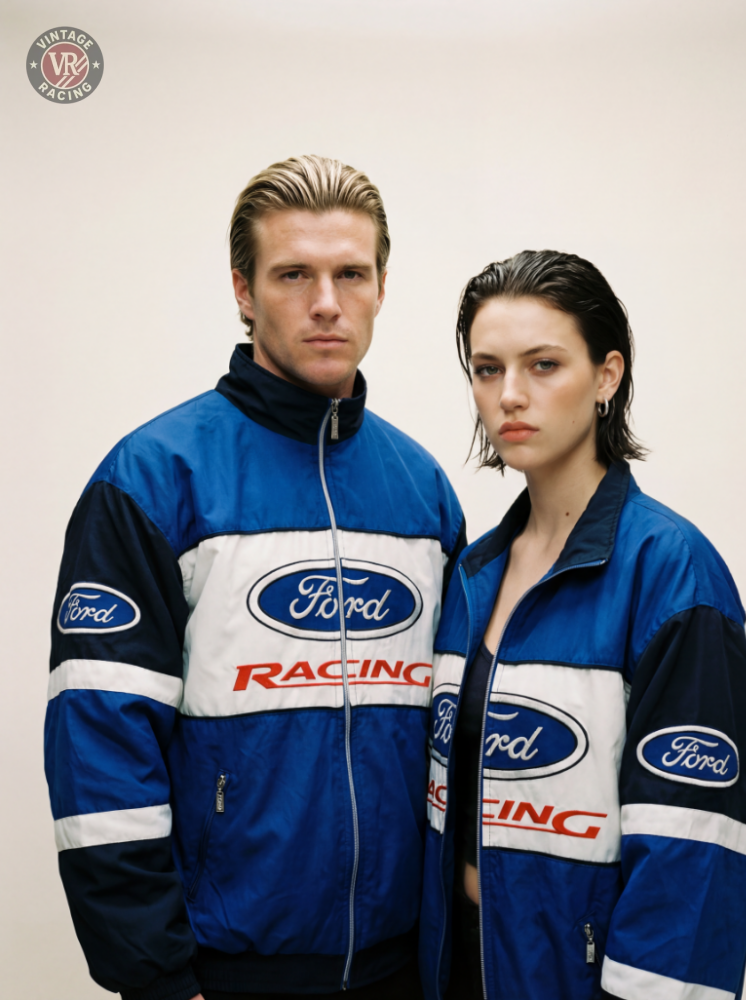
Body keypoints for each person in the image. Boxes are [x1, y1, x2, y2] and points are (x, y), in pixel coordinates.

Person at [45, 155, 466, 1000]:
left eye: (351, 274)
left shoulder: (421, 491)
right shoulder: (153, 480)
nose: (326, 302)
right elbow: (100, 749)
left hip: (400, 965)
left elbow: (452, 738)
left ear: (382, 288)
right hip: (224, 970)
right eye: (292, 274)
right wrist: (157, 977)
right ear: (243, 291)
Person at [418, 250, 746, 1000]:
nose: (510, 395)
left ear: (607, 376)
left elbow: (693, 861)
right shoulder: (472, 575)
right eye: (487, 369)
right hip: (458, 970)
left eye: (543, 365)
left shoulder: (673, 577)